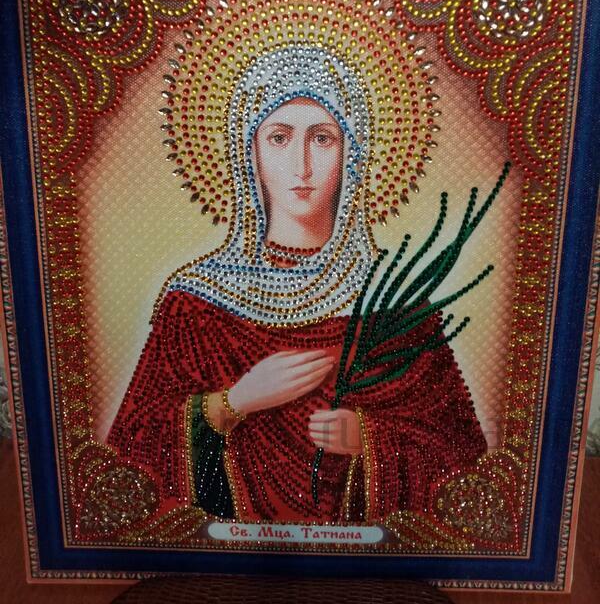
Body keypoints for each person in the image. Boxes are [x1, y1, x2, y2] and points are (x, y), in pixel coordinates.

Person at [108, 44, 486, 524]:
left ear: (352, 154)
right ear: (249, 154)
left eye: (323, 138)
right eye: (279, 138)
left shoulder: (395, 303)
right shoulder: (196, 302)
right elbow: (132, 455)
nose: (301, 165)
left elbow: (462, 460)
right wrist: (231, 405)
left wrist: (369, 439)